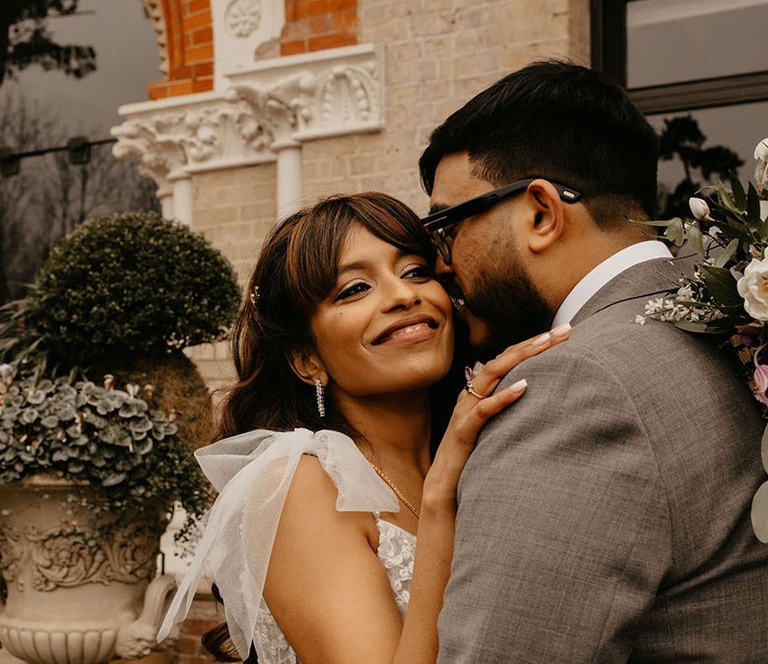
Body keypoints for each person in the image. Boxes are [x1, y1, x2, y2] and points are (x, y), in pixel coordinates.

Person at [419, 60, 768, 661]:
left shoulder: (577, 386)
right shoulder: (739, 328)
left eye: (446, 226)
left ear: (541, 213)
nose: (440, 263)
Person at [157, 192, 571, 662]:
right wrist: (437, 500)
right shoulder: (301, 484)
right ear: (307, 358)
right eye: (355, 289)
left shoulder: (486, 455)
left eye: (416, 271)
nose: (403, 295)